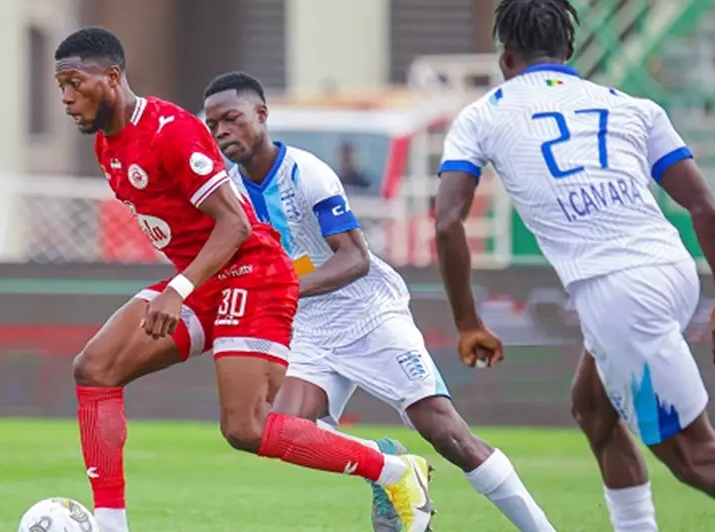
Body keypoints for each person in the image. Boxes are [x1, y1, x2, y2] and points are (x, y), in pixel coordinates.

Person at [54, 27, 433, 532]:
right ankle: (109, 526)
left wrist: (178, 290)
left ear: (112, 76)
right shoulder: (108, 146)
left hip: (254, 273)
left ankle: (394, 471)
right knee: (95, 368)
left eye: (75, 82)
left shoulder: (170, 130)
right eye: (61, 86)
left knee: (245, 429)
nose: (66, 97)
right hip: (205, 280)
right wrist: (186, 286)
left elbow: (234, 225)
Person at [204, 70, 556, 532]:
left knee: (446, 432)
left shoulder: (306, 173)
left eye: (231, 119)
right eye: (213, 125)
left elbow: (355, 258)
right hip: (307, 328)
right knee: (277, 429)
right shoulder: (229, 193)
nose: (222, 132)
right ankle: (388, 465)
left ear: (261, 114)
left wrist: (282, 290)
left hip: (368, 314)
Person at [435, 1, 715, 531]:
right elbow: (703, 205)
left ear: (506, 58)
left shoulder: (482, 116)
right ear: (568, 50)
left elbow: (449, 222)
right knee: (593, 408)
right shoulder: (630, 105)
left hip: (618, 291)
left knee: (694, 456)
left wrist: (469, 322)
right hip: (672, 269)